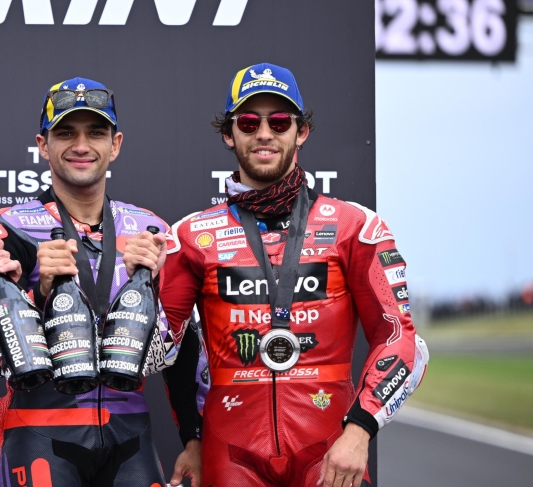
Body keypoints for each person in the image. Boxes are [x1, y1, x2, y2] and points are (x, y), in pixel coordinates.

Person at [159, 63, 430, 487]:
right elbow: (167, 352)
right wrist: (191, 439)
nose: (264, 133)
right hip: (230, 455)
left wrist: (360, 431)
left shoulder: (355, 226)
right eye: (249, 122)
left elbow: (403, 340)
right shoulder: (190, 235)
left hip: (330, 453)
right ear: (229, 135)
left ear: (300, 132)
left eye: (280, 121)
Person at [0, 77, 205, 486]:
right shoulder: (6, 229)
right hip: (39, 431)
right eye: (65, 133)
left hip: (131, 437)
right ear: (43, 144)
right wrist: (38, 294)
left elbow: (178, 356)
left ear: (116, 144)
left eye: (96, 132)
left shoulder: (151, 230)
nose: (80, 145)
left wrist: (193, 440)